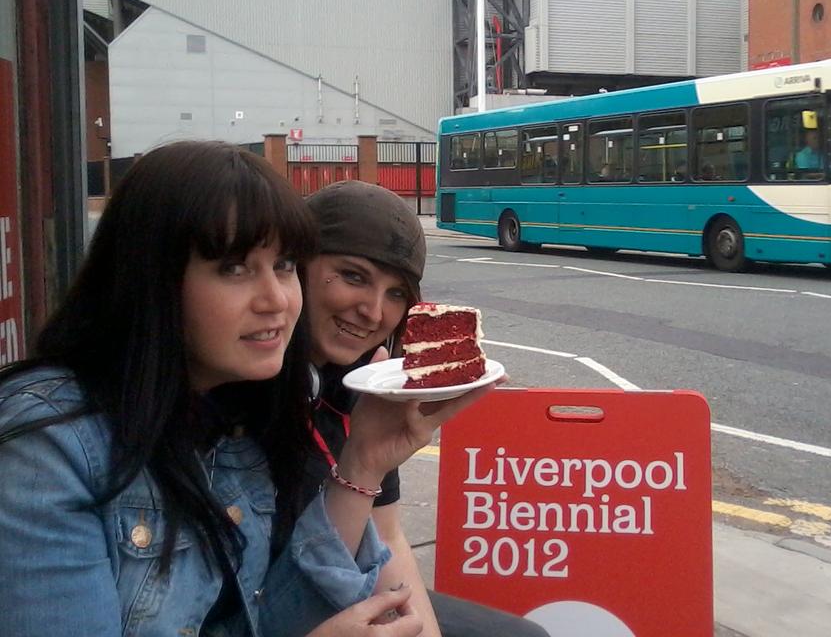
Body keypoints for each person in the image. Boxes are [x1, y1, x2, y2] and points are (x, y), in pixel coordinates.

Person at [0, 141, 490, 636]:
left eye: (283, 266)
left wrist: (364, 461)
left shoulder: (229, 417)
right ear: (152, 277)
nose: (276, 300)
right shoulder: (49, 448)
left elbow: (263, 622)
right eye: (235, 269)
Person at [303, 181, 549, 637]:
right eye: (353, 276)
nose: (374, 312)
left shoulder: (369, 390)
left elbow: (387, 536)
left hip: (345, 577)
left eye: (396, 293)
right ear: (295, 266)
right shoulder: (249, 387)